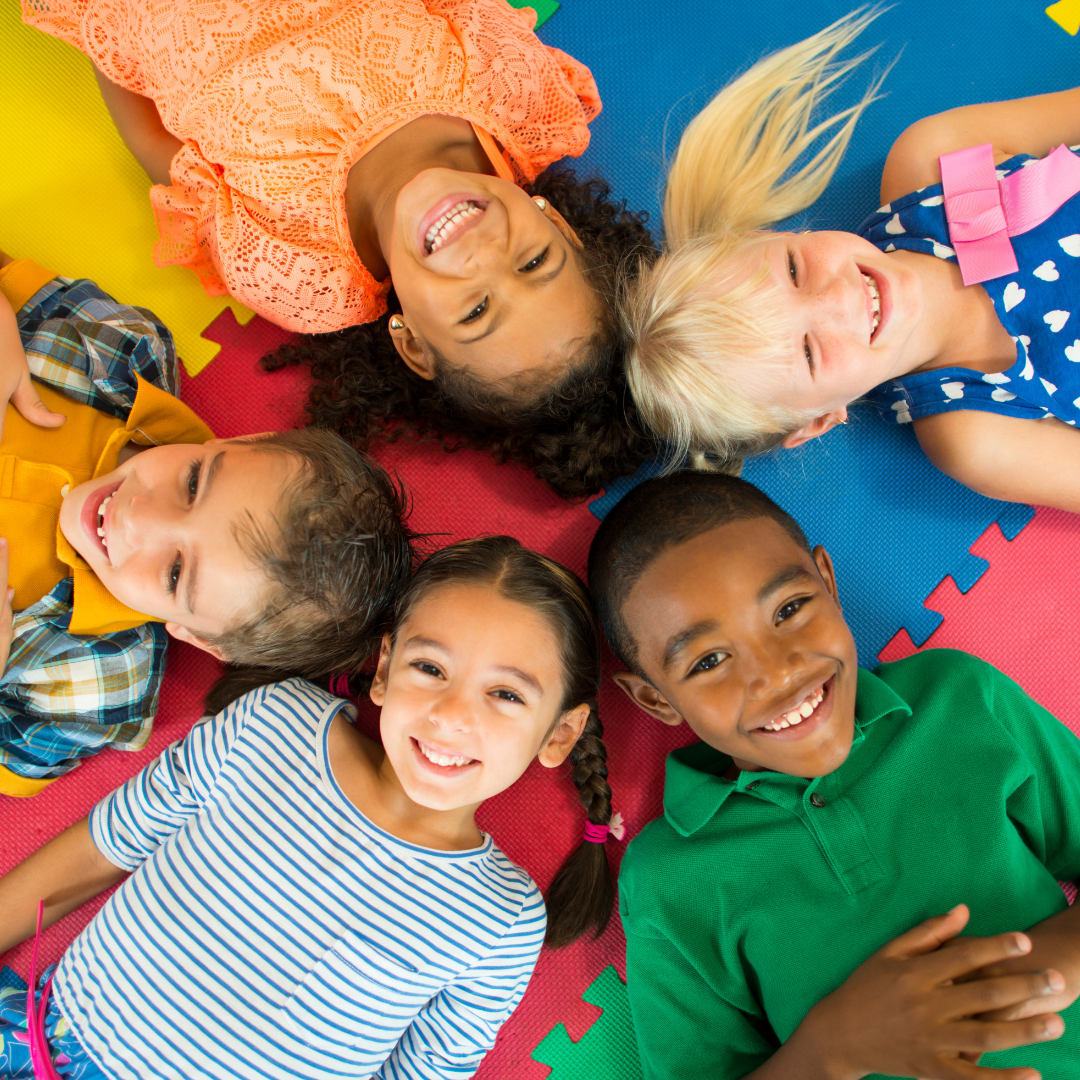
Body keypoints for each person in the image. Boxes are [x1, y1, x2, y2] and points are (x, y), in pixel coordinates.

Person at [0, 535, 619, 1079]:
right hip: (36, 1044)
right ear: (384, 670)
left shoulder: (502, 920)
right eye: (429, 667)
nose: (452, 715)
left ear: (558, 735)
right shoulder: (273, 724)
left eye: (506, 694)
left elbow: (425, 1070)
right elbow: (105, 844)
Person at [21, 0, 659, 491]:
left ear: (411, 342)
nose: (481, 253)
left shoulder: (298, 274)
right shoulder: (517, 96)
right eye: (534, 262)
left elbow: (161, 149)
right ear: (561, 227)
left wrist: (100, 24)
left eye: (476, 312)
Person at [587, 469, 1080, 1080]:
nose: (776, 673)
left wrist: (1026, 977)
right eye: (710, 660)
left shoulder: (957, 701)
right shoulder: (667, 877)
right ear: (657, 701)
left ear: (828, 580)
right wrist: (833, 1047)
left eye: (790, 609)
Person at [623, 8, 1080, 512]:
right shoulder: (977, 438)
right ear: (818, 421)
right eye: (808, 351)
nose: (838, 297)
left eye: (794, 271)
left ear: (770, 235)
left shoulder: (932, 166)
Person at [0, 251, 413, 796]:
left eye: (175, 572)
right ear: (241, 442)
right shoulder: (121, 354)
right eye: (193, 483)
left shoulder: (91, 684)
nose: (138, 515)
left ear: (197, 637)